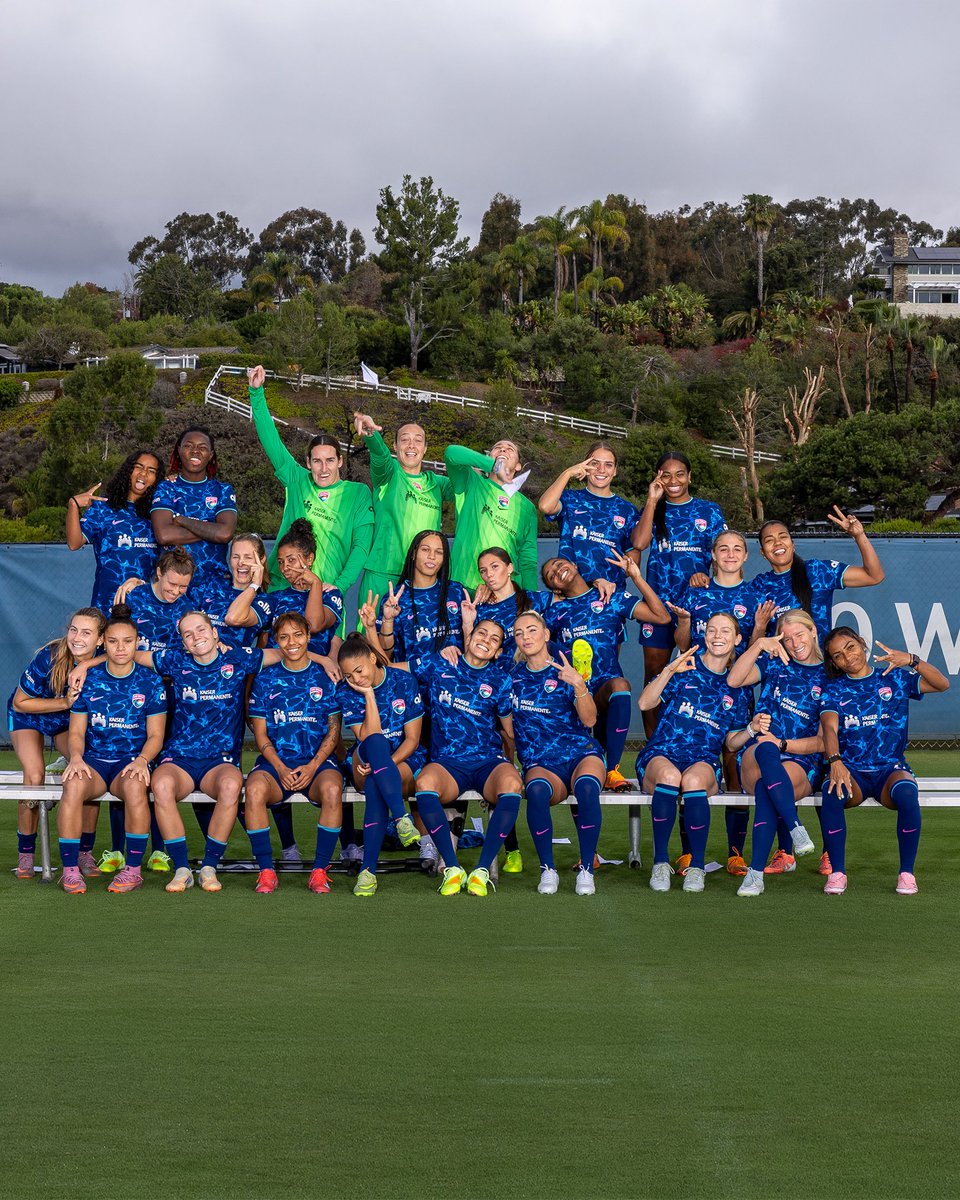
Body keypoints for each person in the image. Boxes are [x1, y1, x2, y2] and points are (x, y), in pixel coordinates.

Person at [134, 611, 270, 893]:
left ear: (214, 632)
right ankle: (183, 868)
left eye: (201, 630)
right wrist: (87, 665)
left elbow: (284, 654)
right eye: (188, 634)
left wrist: (325, 659)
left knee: (232, 785)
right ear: (183, 643)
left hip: (219, 762)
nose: (197, 637)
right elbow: (128, 656)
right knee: (160, 784)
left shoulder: (237, 658)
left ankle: (209, 866)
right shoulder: (175, 660)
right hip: (180, 759)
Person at [391, 620, 522, 897]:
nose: (486, 640)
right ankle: (452, 867)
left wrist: (511, 764)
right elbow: (388, 668)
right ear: (469, 636)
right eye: (481, 633)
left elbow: (508, 731)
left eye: (495, 639)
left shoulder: (500, 680)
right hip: (449, 763)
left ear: (498, 650)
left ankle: (482, 870)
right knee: (425, 783)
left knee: (511, 784)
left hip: (487, 760)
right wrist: (374, 629)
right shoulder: (440, 664)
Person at [818, 627, 948, 897]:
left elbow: (941, 684)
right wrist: (835, 761)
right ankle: (838, 873)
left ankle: (906, 874)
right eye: (838, 655)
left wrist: (912, 660)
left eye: (851, 647)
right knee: (832, 791)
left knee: (908, 793)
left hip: (889, 768)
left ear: (862, 644)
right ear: (833, 662)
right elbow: (829, 729)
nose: (848, 657)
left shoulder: (895, 679)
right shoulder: (834, 689)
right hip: (852, 768)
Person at [670, 529, 767, 874]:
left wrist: (759, 629)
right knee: (689, 766)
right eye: (722, 548)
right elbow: (682, 643)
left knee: (734, 765)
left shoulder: (756, 594)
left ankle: (735, 852)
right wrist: (683, 621)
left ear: (745, 556)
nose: (729, 554)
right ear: (712, 555)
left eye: (736, 549)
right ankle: (686, 852)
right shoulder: (697, 590)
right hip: (697, 687)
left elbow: (756, 649)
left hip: (736, 691)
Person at [638, 613, 756, 894]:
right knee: (668, 775)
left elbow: (729, 743)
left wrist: (751, 730)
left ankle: (697, 867)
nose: (718, 636)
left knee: (691, 782)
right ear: (704, 635)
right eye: (712, 630)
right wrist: (669, 670)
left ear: (737, 639)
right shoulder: (685, 668)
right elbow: (644, 703)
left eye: (726, 631)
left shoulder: (739, 687)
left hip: (702, 758)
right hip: (662, 752)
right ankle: (661, 862)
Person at [56, 605, 167, 895]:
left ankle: (132, 871)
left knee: (135, 786)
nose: (121, 647)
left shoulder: (150, 681)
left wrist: (143, 761)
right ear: (103, 641)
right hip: (93, 761)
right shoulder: (88, 679)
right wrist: (76, 757)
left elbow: (156, 735)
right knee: (72, 784)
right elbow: (77, 731)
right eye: (114, 641)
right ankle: (69, 871)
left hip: (130, 761)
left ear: (137, 642)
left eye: (127, 641)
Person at [541, 550, 669, 791]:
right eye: (551, 575)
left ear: (574, 564)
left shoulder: (610, 597)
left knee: (621, 686)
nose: (557, 571)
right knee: (582, 782)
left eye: (559, 564)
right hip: (574, 695)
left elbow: (661, 617)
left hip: (604, 688)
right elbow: (537, 642)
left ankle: (613, 770)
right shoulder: (554, 612)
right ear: (554, 589)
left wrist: (636, 577)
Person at [247, 365, 373, 603]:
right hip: (283, 588)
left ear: (340, 461)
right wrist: (256, 393)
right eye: (317, 461)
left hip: (326, 592)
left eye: (329, 460)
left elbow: (361, 547)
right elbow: (270, 440)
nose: (323, 468)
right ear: (308, 462)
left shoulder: (357, 493)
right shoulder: (297, 480)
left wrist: (338, 586)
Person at [727, 610, 827, 897]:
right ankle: (794, 826)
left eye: (800, 635)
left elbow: (822, 742)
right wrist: (759, 644)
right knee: (765, 747)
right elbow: (734, 680)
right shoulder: (774, 662)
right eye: (788, 638)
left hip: (799, 757)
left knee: (765, 790)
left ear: (813, 632)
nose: (795, 644)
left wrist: (783, 744)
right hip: (756, 754)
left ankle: (755, 874)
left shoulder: (829, 676)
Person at [630, 451, 728, 738]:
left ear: (690, 477)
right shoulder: (653, 509)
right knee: (655, 675)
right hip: (657, 607)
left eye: (679, 474)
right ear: (657, 477)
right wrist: (651, 499)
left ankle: (694, 742)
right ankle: (654, 745)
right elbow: (638, 542)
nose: (673, 480)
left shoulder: (709, 511)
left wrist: (708, 577)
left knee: (700, 675)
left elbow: (725, 552)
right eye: (666, 474)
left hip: (697, 607)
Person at [245, 612, 344, 895]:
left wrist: (313, 766)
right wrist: (279, 767)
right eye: (284, 636)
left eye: (298, 635)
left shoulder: (325, 676)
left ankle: (320, 871)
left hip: (317, 763)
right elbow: (260, 735)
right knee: (253, 791)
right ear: (276, 641)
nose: (292, 642)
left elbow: (334, 732)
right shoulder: (265, 679)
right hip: (277, 764)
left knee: (333, 790)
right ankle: (266, 871)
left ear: (308, 637)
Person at [510, 611, 607, 896]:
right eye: (519, 633)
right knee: (537, 792)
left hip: (580, 753)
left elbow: (590, 721)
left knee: (587, 788)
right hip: (541, 760)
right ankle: (547, 870)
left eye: (531, 630)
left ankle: (587, 869)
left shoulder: (566, 671)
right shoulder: (511, 677)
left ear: (546, 634)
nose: (526, 637)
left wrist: (579, 684)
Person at [7, 608, 106, 879]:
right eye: (73, 630)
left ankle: (84, 852)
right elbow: (20, 702)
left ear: (100, 639)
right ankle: (25, 855)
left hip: (67, 719)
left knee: (86, 770)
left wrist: (87, 665)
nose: (77, 637)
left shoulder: (105, 658)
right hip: (31, 714)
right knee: (34, 775)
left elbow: (129, 653)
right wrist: (64, 702)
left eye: (86, 632)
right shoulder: (49, 656)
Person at [337, 634, 425, 897]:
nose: (355, 679)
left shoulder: (404, 682)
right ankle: (401, 817)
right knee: (376, 744)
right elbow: (366, 736)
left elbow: (412, 739)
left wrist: (382, 765)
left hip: (401, 759)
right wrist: (368, 695)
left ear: (373, 659)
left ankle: (368, 872)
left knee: (378, 782)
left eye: (359, 670)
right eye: (349, 675)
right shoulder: (346, 691)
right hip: (364, 758)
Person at [352, 411, 453, 604]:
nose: (411, 445)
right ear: (396, 446)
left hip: (423, 577)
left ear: (425, 448)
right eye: (404, 440)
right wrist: (372, 435)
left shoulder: (437, 483)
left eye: (418, 440)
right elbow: (380, 455)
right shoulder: (389, 474)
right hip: (383, 573)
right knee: (368, 632)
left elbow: (466, 482)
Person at [753, 510, 885, 642]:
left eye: (783, 537)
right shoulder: (759, 585)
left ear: (793, 545)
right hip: (778, 662)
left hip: (821, 661)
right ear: (763, 552)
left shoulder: (818, 570)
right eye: (769, 540)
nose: (778, 543)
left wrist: (859, 536)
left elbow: (874, 576)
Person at [65, 450, 161, 613]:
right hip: (106, 603)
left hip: (147, 606)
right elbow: (74, 543)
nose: (143, 473)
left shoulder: (159, 513)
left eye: (151, 471)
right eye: (139, 467)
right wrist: (73, 505)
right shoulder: (103, 508)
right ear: (128, 471)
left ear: (156, 479)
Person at [538, 443, 640, 589]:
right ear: (584, 467)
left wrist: (614, 575)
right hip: (573, 594)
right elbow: (545, 506)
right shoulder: (570, 498)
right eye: (595, 464)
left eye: (608, 465)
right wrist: (567, 473)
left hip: (610, 595)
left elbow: (633, 559)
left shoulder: (627, 510)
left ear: (615, 471)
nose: (601, 470)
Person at [445, 438, 538, 592]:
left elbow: (528, 558)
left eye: (510, 449)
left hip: (505, 593)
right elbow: (451, 453)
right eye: (497, 447)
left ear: (518, 465)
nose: (503, 450)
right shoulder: (472, 482)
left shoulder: (527, 507)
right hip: (463, 587)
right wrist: (493, 465)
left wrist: (530, 599)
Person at [150, 427, 237, 584]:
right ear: (179, 450)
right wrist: (212, 529)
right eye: (188, 446)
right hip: (174, 585)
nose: (195, 451)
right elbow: (164, 535)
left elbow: (225, 534)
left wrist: (182, 520)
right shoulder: (167, 488)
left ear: (210, 455)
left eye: (202, 447)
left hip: (215, 584)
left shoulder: (222, 490)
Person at [375, 530, 466, 662]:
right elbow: (385, 658)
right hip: (413, 680)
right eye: (425, 550)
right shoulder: (395, 598)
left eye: (439, 552)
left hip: (456, 680)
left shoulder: (456, 591)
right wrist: (388, 621)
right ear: (413, 554)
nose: (432, 556)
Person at [461, 547, 551, 646]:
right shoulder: (480, 610)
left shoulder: (537, 598)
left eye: (494, 566)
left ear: (510, 568)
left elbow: (568, 603)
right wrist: (468, 624)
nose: (489, 574)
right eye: (483, 571)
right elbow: (472, 656)